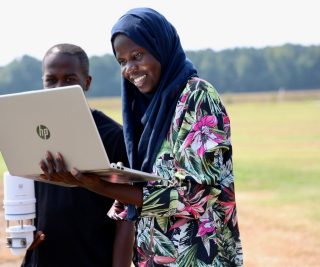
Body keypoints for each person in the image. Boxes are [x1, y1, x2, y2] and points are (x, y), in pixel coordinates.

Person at [40, 8, 244, 267]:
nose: (130, 68)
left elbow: (196, 197)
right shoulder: (148, 112)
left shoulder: (196, 97)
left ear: (161, 47)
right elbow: (158, 184)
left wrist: (98, 186)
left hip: (201, 258)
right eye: (122, 61)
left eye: (137, 55)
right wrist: (115, 189)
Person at [21, 43, 134, 267]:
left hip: (92, 259)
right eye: (51, 80)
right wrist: (21, 237)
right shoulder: (34, 132)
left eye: (70, 79)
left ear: (87, 82)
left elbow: (127, 217)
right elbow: (22, 201)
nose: (59, 87)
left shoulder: (113, 137)